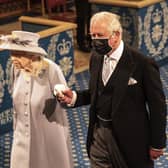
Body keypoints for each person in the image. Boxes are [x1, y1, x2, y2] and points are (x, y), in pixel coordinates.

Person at [54, 12, 167, 168]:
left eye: (99, 35)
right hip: (99, 133)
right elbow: (98, 92)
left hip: (131, 139)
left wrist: (157, 143)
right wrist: (74, 97)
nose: (95, 40)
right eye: (92, 35)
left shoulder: (142, 63)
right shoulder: (96, 57)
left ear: (116, 35)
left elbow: (158, 106)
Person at [0, 31, 73, 168]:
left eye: (18, 54)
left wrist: (61, 96)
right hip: (22, 135)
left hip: (48, 135)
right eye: (11, 53)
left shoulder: (51, 70)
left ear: (32, 55)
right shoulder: (15, 70)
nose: (13, 58)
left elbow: (66, 101)